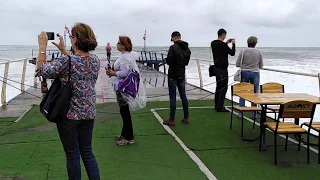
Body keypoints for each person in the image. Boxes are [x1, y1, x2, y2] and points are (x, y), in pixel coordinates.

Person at [36, 22, 100, 179]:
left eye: (72, 36)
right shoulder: (96, 60)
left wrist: (42, 47)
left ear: (76, 39)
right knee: (87, 152)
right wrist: (64, 50)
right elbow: (77, 62)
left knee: (72, 156)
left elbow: (42, 70)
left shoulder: (66, 62)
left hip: (69, 115)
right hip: (89, 113)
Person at [106, 36, 138, 146]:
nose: (117, 44)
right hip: (122, 86)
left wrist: (113, 73)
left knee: (125, 112)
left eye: (119, 43)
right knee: (124, 111)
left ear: (124, 45)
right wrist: (113, 71)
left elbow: (125, 73)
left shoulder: (125, 57)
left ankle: (129, 137)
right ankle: (125, 134)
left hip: (123, 87)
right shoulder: (125, 56)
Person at [163, 31, 191, 126]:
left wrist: (168, 60)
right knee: (183, 95)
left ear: (174, 38)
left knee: (173, 97)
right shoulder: (187, 48)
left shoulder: (173, 48)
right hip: (181, 74)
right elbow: (186, 62)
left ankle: (171, 119)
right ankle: (186, 117)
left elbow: (169, 61)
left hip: (173, 75)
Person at [236, 36, 263, 118]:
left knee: (243, 93)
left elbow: (237, 64)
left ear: (248, 43)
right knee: (254, 94)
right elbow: (261, 66)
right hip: (255, 73)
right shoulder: (258, 52)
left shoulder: (243, 51)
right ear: (255, 43)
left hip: (244, 72)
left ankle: (241, 112)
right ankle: (254, 113)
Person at [211, 28, 236, 112]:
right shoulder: (223, 45)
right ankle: (220, 106)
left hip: (216, 67)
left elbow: (220, 46)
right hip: (223, 68)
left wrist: (226, 43)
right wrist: (233, 44)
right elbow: (232, 53)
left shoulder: (213, 43)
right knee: (224, 87)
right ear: (223, 35)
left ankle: (216, 105)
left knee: (218, 86)